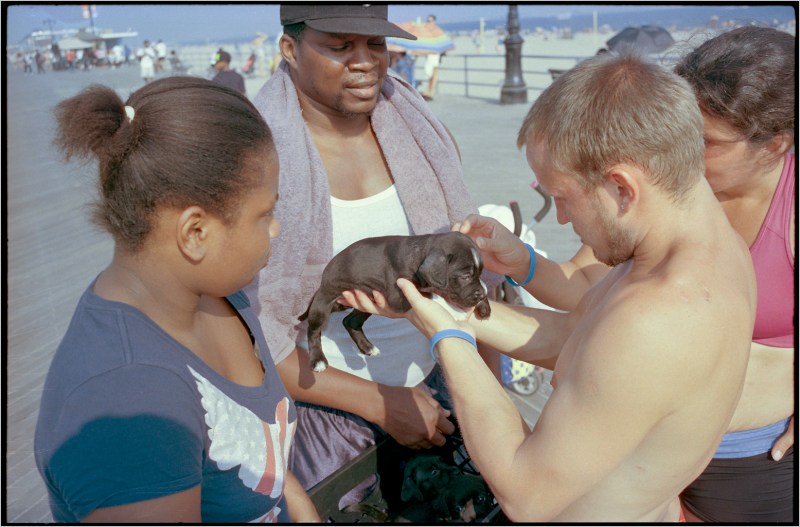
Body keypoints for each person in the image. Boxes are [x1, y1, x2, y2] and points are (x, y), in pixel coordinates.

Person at [343, 53, 757, 521]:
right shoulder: (703, 243)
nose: (560, 217)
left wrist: (449, 340)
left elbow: (525, 494)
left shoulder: (661, 316)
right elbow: (579, 342)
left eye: (562, 197)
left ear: (622, 187)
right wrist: (443, 305)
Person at [246, 3, 501, 506]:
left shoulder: (415, 130)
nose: (365, 61)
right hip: (330, 413)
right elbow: (249, 329)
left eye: (376, 44)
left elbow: (474, 273)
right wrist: (382, 404)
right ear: (289, 48)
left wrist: (490, 404)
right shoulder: (259, 159)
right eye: (341, 46)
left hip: (442, 385)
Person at [34, 77, 319, 523]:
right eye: (265, 213)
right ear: (195, 232)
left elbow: (262, 457)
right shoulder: (128, 406)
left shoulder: (222, 297)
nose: (276, 229)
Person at [674, 26, 795, 523]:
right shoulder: (681, 187)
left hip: (753, 464)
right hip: (653, 453)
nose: (684, 152)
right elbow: (588, 283)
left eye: (706, 142)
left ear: (773, 145)